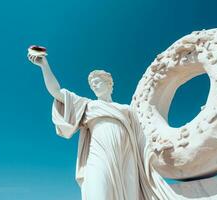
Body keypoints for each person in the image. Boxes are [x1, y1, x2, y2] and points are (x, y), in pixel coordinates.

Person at [27, 54, 156, 200]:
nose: (94, 85)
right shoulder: (88, 105)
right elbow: (56, 92)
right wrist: (45, 66)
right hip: (99, 153)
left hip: (127, 155)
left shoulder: (126, 109)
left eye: (97, 81)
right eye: (92, 84)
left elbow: (141, 137)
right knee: (98, 191)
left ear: (109, 84)